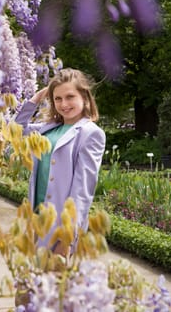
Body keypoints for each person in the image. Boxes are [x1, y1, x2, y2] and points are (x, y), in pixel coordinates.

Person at [15, 68, 106, 256]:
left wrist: (68, 235)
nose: (64, 104)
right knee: (34, 282)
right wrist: (37, 97)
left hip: (59, 227)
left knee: (55, 283)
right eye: (57, 98)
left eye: (70, 97)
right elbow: (14, 130)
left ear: (85, 98)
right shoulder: (47, 129)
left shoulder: (90, 133)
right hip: (37, 220)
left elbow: (82, 190)